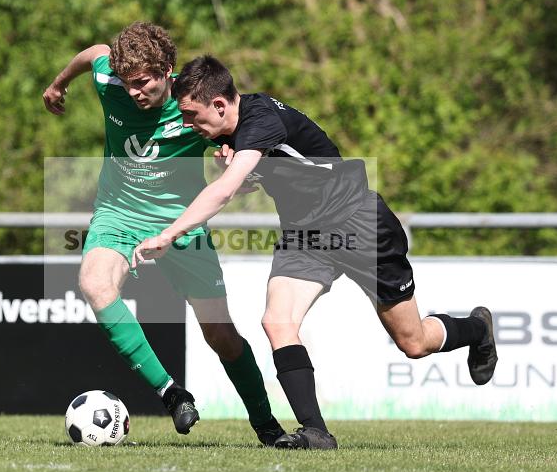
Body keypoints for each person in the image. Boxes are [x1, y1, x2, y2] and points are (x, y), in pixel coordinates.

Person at [132, 55, 498, 450]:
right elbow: (248, 181)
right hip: (305, 235)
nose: (188, 124)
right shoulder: (229, 131)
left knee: (414, 342)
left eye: (192, 115)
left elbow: (224, 192)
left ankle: (477, 330)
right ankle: (316, 432)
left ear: (219, 105)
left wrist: (169, 233)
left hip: (359, 224)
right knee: (277, 321)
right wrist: (235, 171)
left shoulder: (259, 121)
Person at [42, 24, 285, 445]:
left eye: (143, 82)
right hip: (118, 214)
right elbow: (95, 52)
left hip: (181, 224)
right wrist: (58, 84)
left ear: (167, 71)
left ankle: (268, 427)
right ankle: (171, 393)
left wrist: (233, 167)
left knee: (221, 336)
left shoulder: (193, 107)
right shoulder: (108, 80)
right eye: (127, 82)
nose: (134, 92)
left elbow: (239, 164)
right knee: (94, 284)